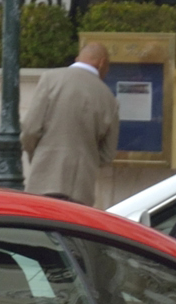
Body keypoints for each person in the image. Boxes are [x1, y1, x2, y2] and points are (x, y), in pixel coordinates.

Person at [19, 39, 117, 204]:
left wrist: (38, 156)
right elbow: (107, 154)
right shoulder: (109, 99)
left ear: (78, 58)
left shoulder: (50, 79)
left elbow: (30, 129)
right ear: (101, 63)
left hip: (43, 181)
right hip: (80, 189)